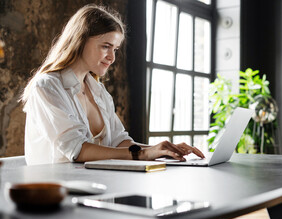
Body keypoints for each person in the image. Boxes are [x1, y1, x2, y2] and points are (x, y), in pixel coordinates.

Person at [21, 4, 204, 165]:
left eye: (115, 49)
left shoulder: (98, 90)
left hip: (96, 190)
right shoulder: (47, 87)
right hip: (56, 195)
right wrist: (145, 154)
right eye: (105, 46)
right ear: (80, 40)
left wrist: (164, 150)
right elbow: (77, 150)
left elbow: (119, 141)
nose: (112, 57)